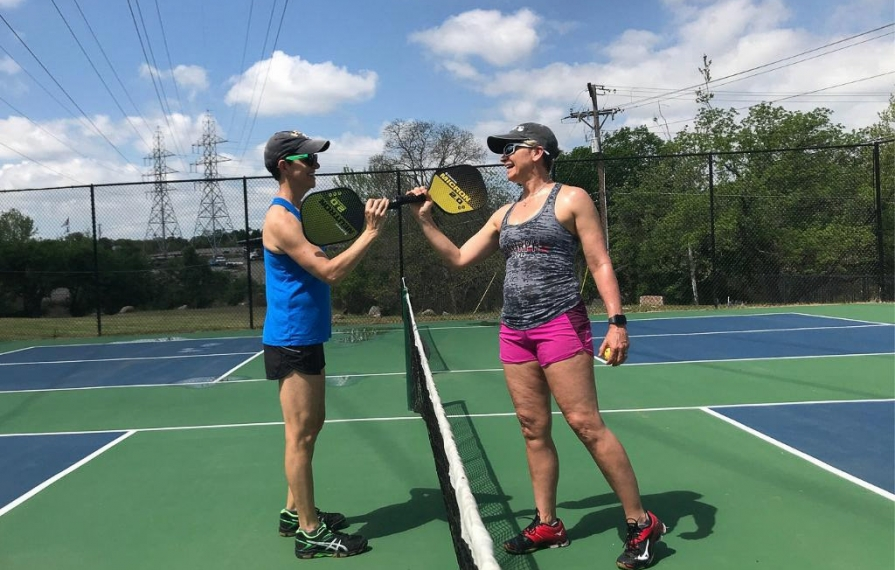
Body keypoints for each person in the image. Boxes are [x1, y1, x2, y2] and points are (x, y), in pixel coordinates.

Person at [406, 123, 666, 570]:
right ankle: (548, 522)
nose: (503, 157)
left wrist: (617, 321)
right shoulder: (504, 213)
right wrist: (426, 220)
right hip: (515, 331)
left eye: (510, 149)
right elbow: (459, 257)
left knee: (585, 424)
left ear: (538, 152)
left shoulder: (571, 198)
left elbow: (599, 260)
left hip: (560, 324)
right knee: (532, 427)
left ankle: (641, 521)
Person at [261, 130, 390, 559]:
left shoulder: (297, 213)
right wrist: (371, 233)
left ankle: (292, 512)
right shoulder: (281, 218)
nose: (317, 167)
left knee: (310, 429)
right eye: (309, 161)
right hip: (292, 338)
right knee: (300, 435)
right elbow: (331, 272)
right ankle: (309, 534)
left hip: (306, 335)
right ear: (285, 165)